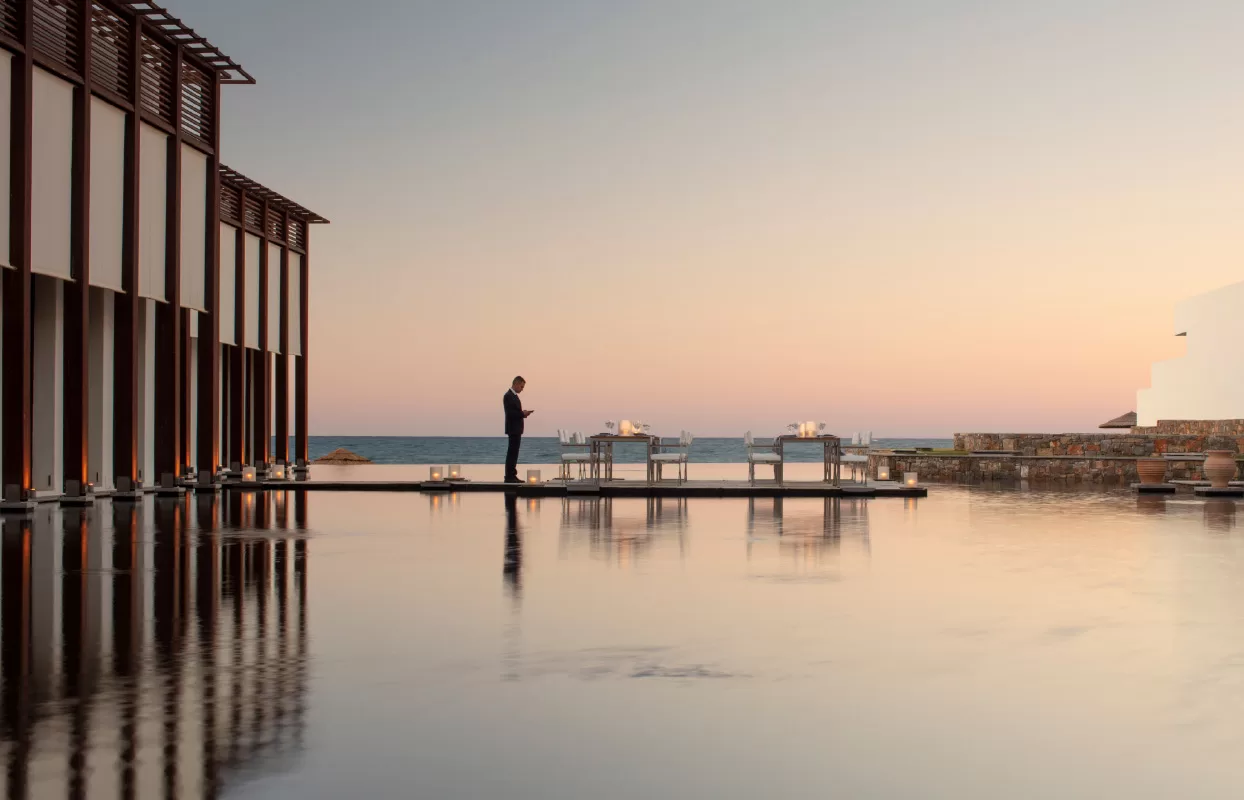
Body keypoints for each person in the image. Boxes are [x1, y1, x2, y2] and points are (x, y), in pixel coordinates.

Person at [503, 376, 534, 483]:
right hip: (513, 429)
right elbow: (510, 413)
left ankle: (512, 475)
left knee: (514, 452)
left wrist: (523, 413)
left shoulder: (514, 396)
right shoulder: (508, 396)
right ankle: (509, 476)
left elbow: (514, 412)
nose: (522, 389)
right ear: (516, 384)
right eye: (521, 386)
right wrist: (522, 413)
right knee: (512, 453)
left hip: (516, 428)